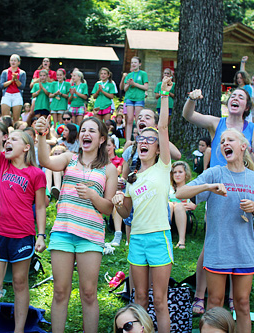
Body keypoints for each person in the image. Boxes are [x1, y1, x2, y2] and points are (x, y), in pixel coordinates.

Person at [0, 91, 47, 333]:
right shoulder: (2, 163)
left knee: (20, 283)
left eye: (14, 138)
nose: (7, 141)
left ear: (26, 147)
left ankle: (19, 330)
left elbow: (42, 206)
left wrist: (41, 235)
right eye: (7, 138)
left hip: (23, 234)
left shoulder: (36, 174)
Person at [177, 128, 254, 332]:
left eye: (231, 140)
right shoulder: (214, 173)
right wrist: (208, 187)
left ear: (243, 146)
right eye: (222, 141)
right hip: (217, 250)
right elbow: (180, 192)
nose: (225, 143)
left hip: (243, 251)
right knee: (215, 303)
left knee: (242, 303)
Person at [35, 115, 117, 333]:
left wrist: (92, 195)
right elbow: (45, 161)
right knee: (60, 292)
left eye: (92, 131)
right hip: (63, 232)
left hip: (90, 236)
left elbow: (108, 208)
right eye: (83, 130)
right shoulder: (69, 158)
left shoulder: (109, 169)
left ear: (101, 139)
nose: (85, 134)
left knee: (89, 293)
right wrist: (42, 135)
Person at [112, 77, 173, 333]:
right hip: (136, 239)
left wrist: (163, 95)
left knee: (159, 302)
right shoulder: (132, 179)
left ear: (158, 148)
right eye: (140, 140)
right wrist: (118, 202)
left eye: (150, 140)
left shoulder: (163, 167)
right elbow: (126, 212)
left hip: (159, 237)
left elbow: (163, 126)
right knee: (138, 301)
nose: (145, 142)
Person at [169, 161, 197, 249]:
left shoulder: (190, 188)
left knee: (179, 206)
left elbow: (193, 206)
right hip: (168, 216)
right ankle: (164, 237)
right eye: (175, 172)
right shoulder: (167, 188)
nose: (177, 175)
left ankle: (181, 241)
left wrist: (178, 205)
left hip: (185, 220)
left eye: (180, 172)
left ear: (186, 174)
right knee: (169, 205)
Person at [124, 57, 149, 143]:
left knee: (138, 119)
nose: (133, 64)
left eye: (135, 62)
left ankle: (140, 138)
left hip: (139, 98)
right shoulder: (129, 75)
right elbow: (125, 88)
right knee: (129, 119)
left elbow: (146, 87)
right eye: (132, 62)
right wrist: (129, 84)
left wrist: (135, 84)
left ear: (139, 64)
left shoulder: (143, 74)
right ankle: (128, 140)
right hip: (129, 98)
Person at [0, 54, 26, 122]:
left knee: (16, 119)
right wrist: (11, 80)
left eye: (15, 61)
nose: (13, 62)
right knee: (5, 118)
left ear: (18, 62)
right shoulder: (5, 72)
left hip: (17, 95)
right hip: (7, 94)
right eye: (11, 60)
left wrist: (16, 79)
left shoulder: (22, 73)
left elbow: (22, 86)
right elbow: (2, 85)